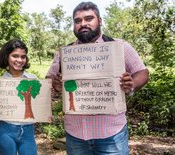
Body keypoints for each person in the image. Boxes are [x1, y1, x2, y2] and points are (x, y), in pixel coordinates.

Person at [46, 2, 149, 155]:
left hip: (111, 134)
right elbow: (49, 78)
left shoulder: (119, 46)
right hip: (75, 135)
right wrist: (55, 84)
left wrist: (132, 84)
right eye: (78, 21)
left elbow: (142, 72)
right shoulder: (65, 53)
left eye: (89, 19)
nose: (83, 24)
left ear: (99, 21)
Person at [0, 39, 38, 155]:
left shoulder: (32, 79)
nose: (19, 60)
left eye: (23, 57)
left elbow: (40, 102)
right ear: (7, 57)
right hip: (6, 130)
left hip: (28, 130)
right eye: (15, 56)